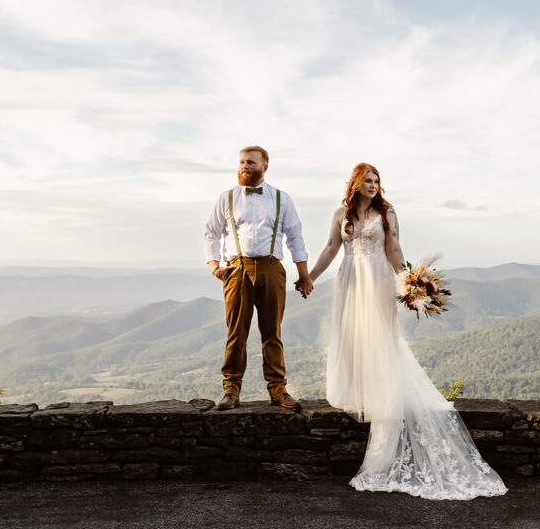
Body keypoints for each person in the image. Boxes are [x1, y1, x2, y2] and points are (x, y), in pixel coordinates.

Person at [306, 163, 507, 500]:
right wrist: (309, 276)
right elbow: (330, 247)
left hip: (378, 281)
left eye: (377, 181)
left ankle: (383, 396)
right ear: (356, 183)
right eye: (367, 180)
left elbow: (395, 250)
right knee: (352, 337)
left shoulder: (387, 212)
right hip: (350, 279)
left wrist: (413, 284)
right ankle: (360, 392)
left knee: (380, 340)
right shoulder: (341, 213)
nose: (373, 185)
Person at [204, 146, 313, 411]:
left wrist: (304, 275)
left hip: (272, 267)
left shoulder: (281, 199)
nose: (244, 166)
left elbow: (295, 237)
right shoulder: (226, 198)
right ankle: (231, 390)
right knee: (236, 333)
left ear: (265, 166)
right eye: (241, 162)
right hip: (236, 269)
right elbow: (211, 233)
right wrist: (214, 266)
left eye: (250, 162)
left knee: (272, 333)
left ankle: (278, 389)